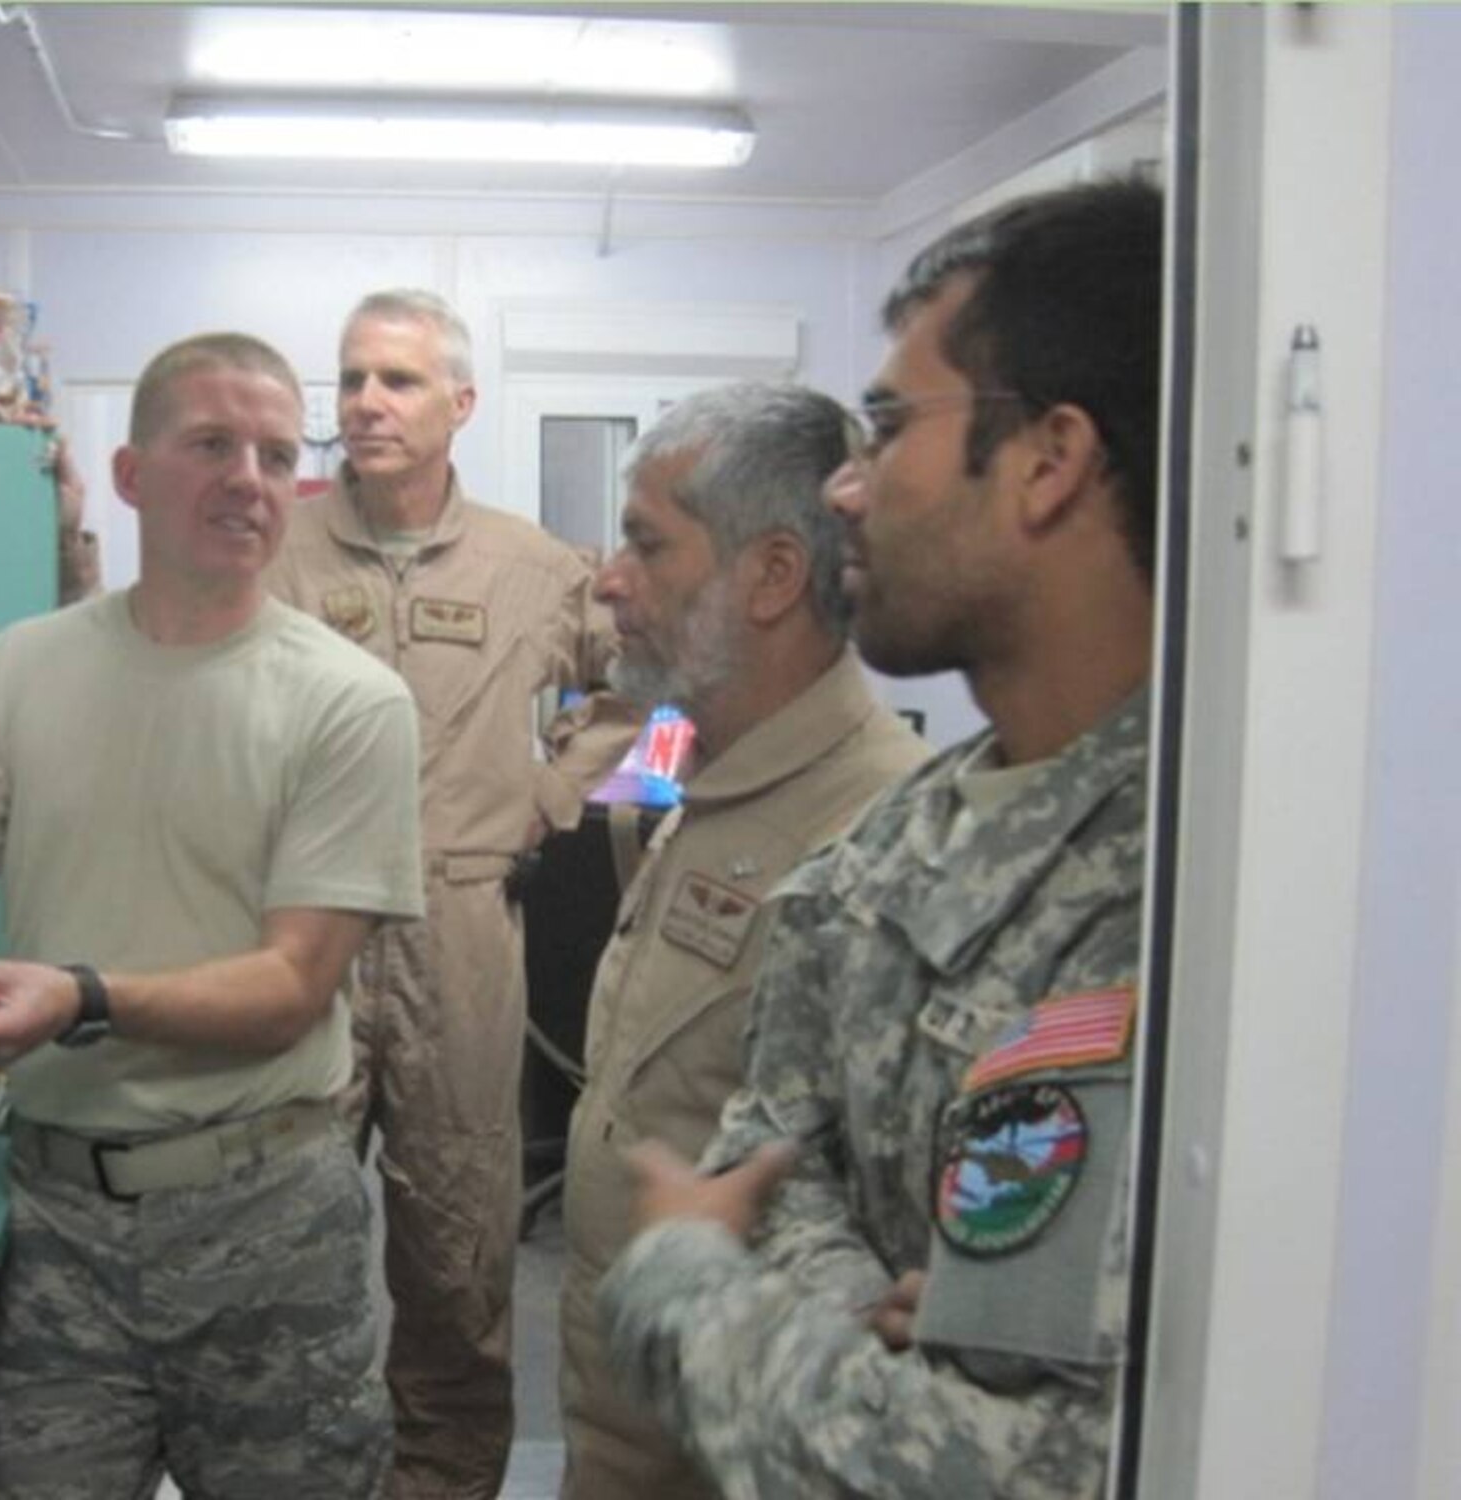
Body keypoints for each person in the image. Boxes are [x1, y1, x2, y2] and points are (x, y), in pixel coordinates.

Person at [0, 332, 425, 1499]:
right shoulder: (20, 669)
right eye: (211, 445)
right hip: (56, 1217)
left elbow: (290, 989)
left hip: (267, 1215)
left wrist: (84, 1000)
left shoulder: (350, 703)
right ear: (128, 475)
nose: (250, 481)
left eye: (275, 454)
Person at [598, 176, 1163, 1498]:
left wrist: (688, 1273)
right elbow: (777, 1153)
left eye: (893, 427)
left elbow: (978, 1466)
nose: (848, 492)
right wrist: (874, 1321)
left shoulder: (1187, 894)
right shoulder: (894, 839)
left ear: (1047, 458)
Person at [262, 288, 642, 1498]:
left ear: (459, 406)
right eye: (353, 378)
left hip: (462, 928)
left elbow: (648, 678)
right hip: (296, 931)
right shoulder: (277, 547)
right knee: (279, 1233)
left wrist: (553, 789)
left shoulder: (530, 565)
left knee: (457, 1246)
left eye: (399, 380)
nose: (367, 402)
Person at [558, 381, 930, 1500]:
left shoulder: (879, 831)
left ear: (769, 576)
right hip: (623, 1416)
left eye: (645, 545)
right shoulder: (699, 750)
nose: (607, 580)